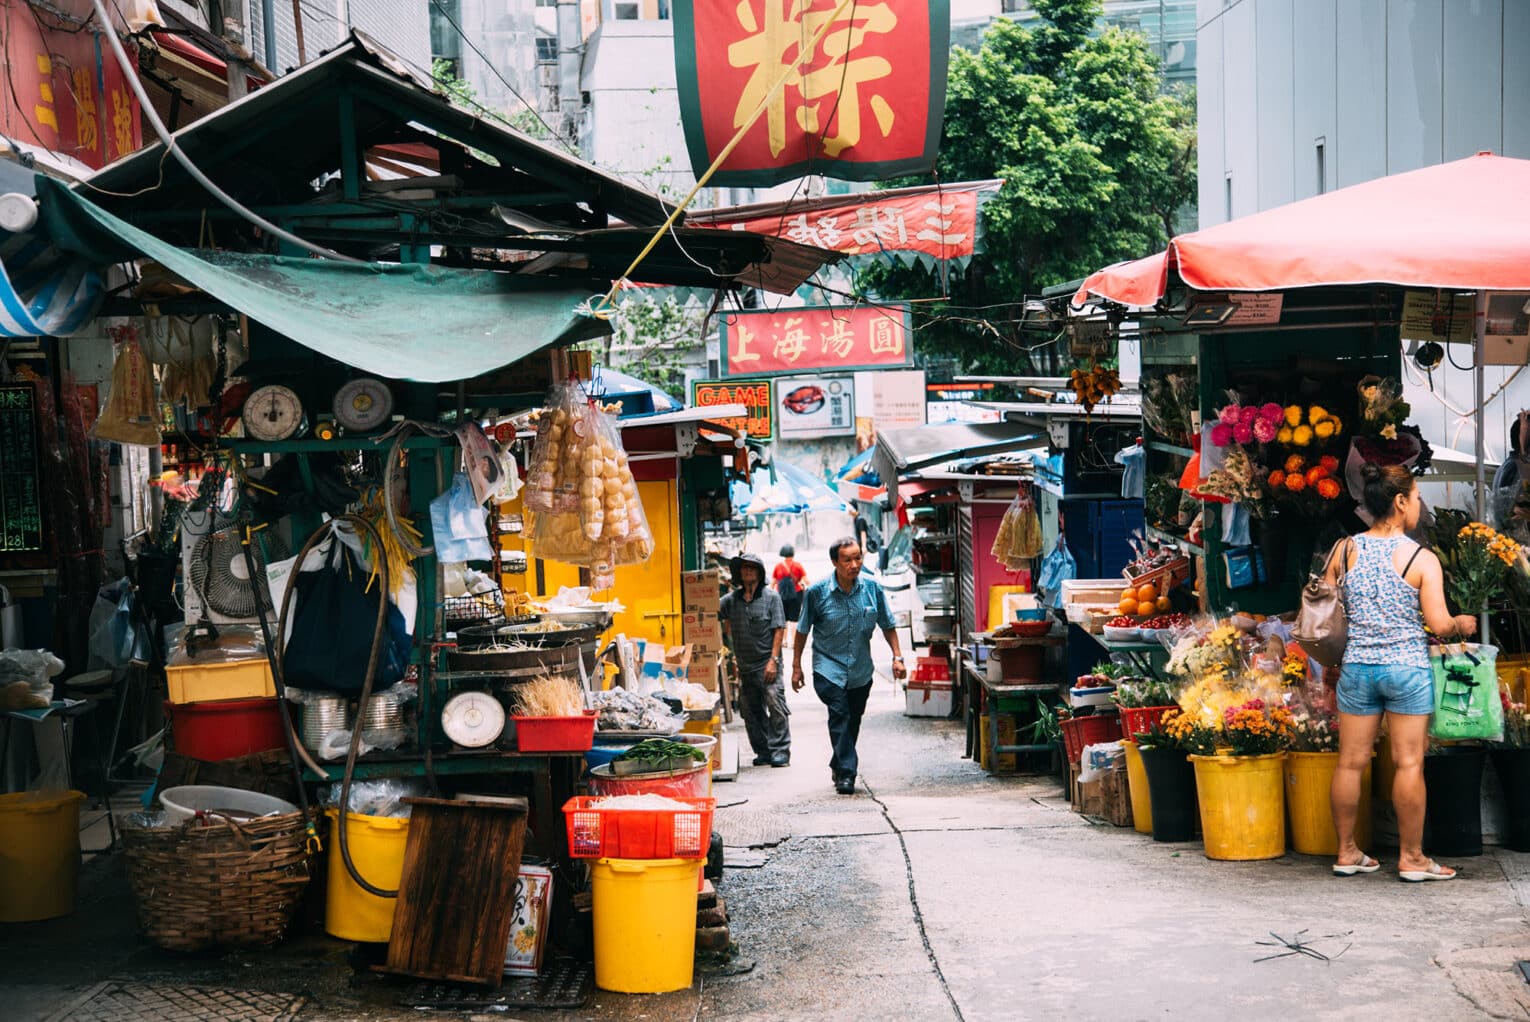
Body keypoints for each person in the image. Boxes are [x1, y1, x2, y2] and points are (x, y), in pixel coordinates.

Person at [1325, 463, 1476, 882]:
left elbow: (1326, 607)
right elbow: (1440, 624)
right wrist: (1461, 623)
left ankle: (1346, 851)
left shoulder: (1343, 551)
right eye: (1417, 496)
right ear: (1400, 501)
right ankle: (1411, 858)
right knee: (1408, 763)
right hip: (1407, 669)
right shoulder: (1421, 559)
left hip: (1357, 667)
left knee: (1350, 763)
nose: (1420, 504)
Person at [791, 537, 906, 795]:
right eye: (847, 560)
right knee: (840, 714)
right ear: (835, 562)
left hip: (860, 671)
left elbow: (887, 624)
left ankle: (838, 761)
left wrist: (897, 657)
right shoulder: (817, 592)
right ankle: (847, 773)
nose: (854, 564)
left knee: (853, 720)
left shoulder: (872, 588)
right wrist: (796, 667)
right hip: (827, 668)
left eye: (858, 558)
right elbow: (801, 631)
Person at [720, 552, 790, 767]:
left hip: (767, 663)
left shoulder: (771, 598)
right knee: (750, 711)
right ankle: (763, 751)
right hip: (745, 665)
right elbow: (707, 611)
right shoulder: (731, 600)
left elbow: (779, 629)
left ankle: (780, 751)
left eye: (752, 567)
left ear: (759, 572)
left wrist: (773, 660)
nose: (747, 570)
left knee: (775, 705)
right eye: (744, 567)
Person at [773, 544, 807, 640]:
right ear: (793, 553)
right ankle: (793, 641)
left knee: (783, 618)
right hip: (796, 594)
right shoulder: (797, 565)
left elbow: (773, 582)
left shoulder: (778, 566)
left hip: (781, 595)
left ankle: (783, 641)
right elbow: (806, 580)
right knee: (794, 619)